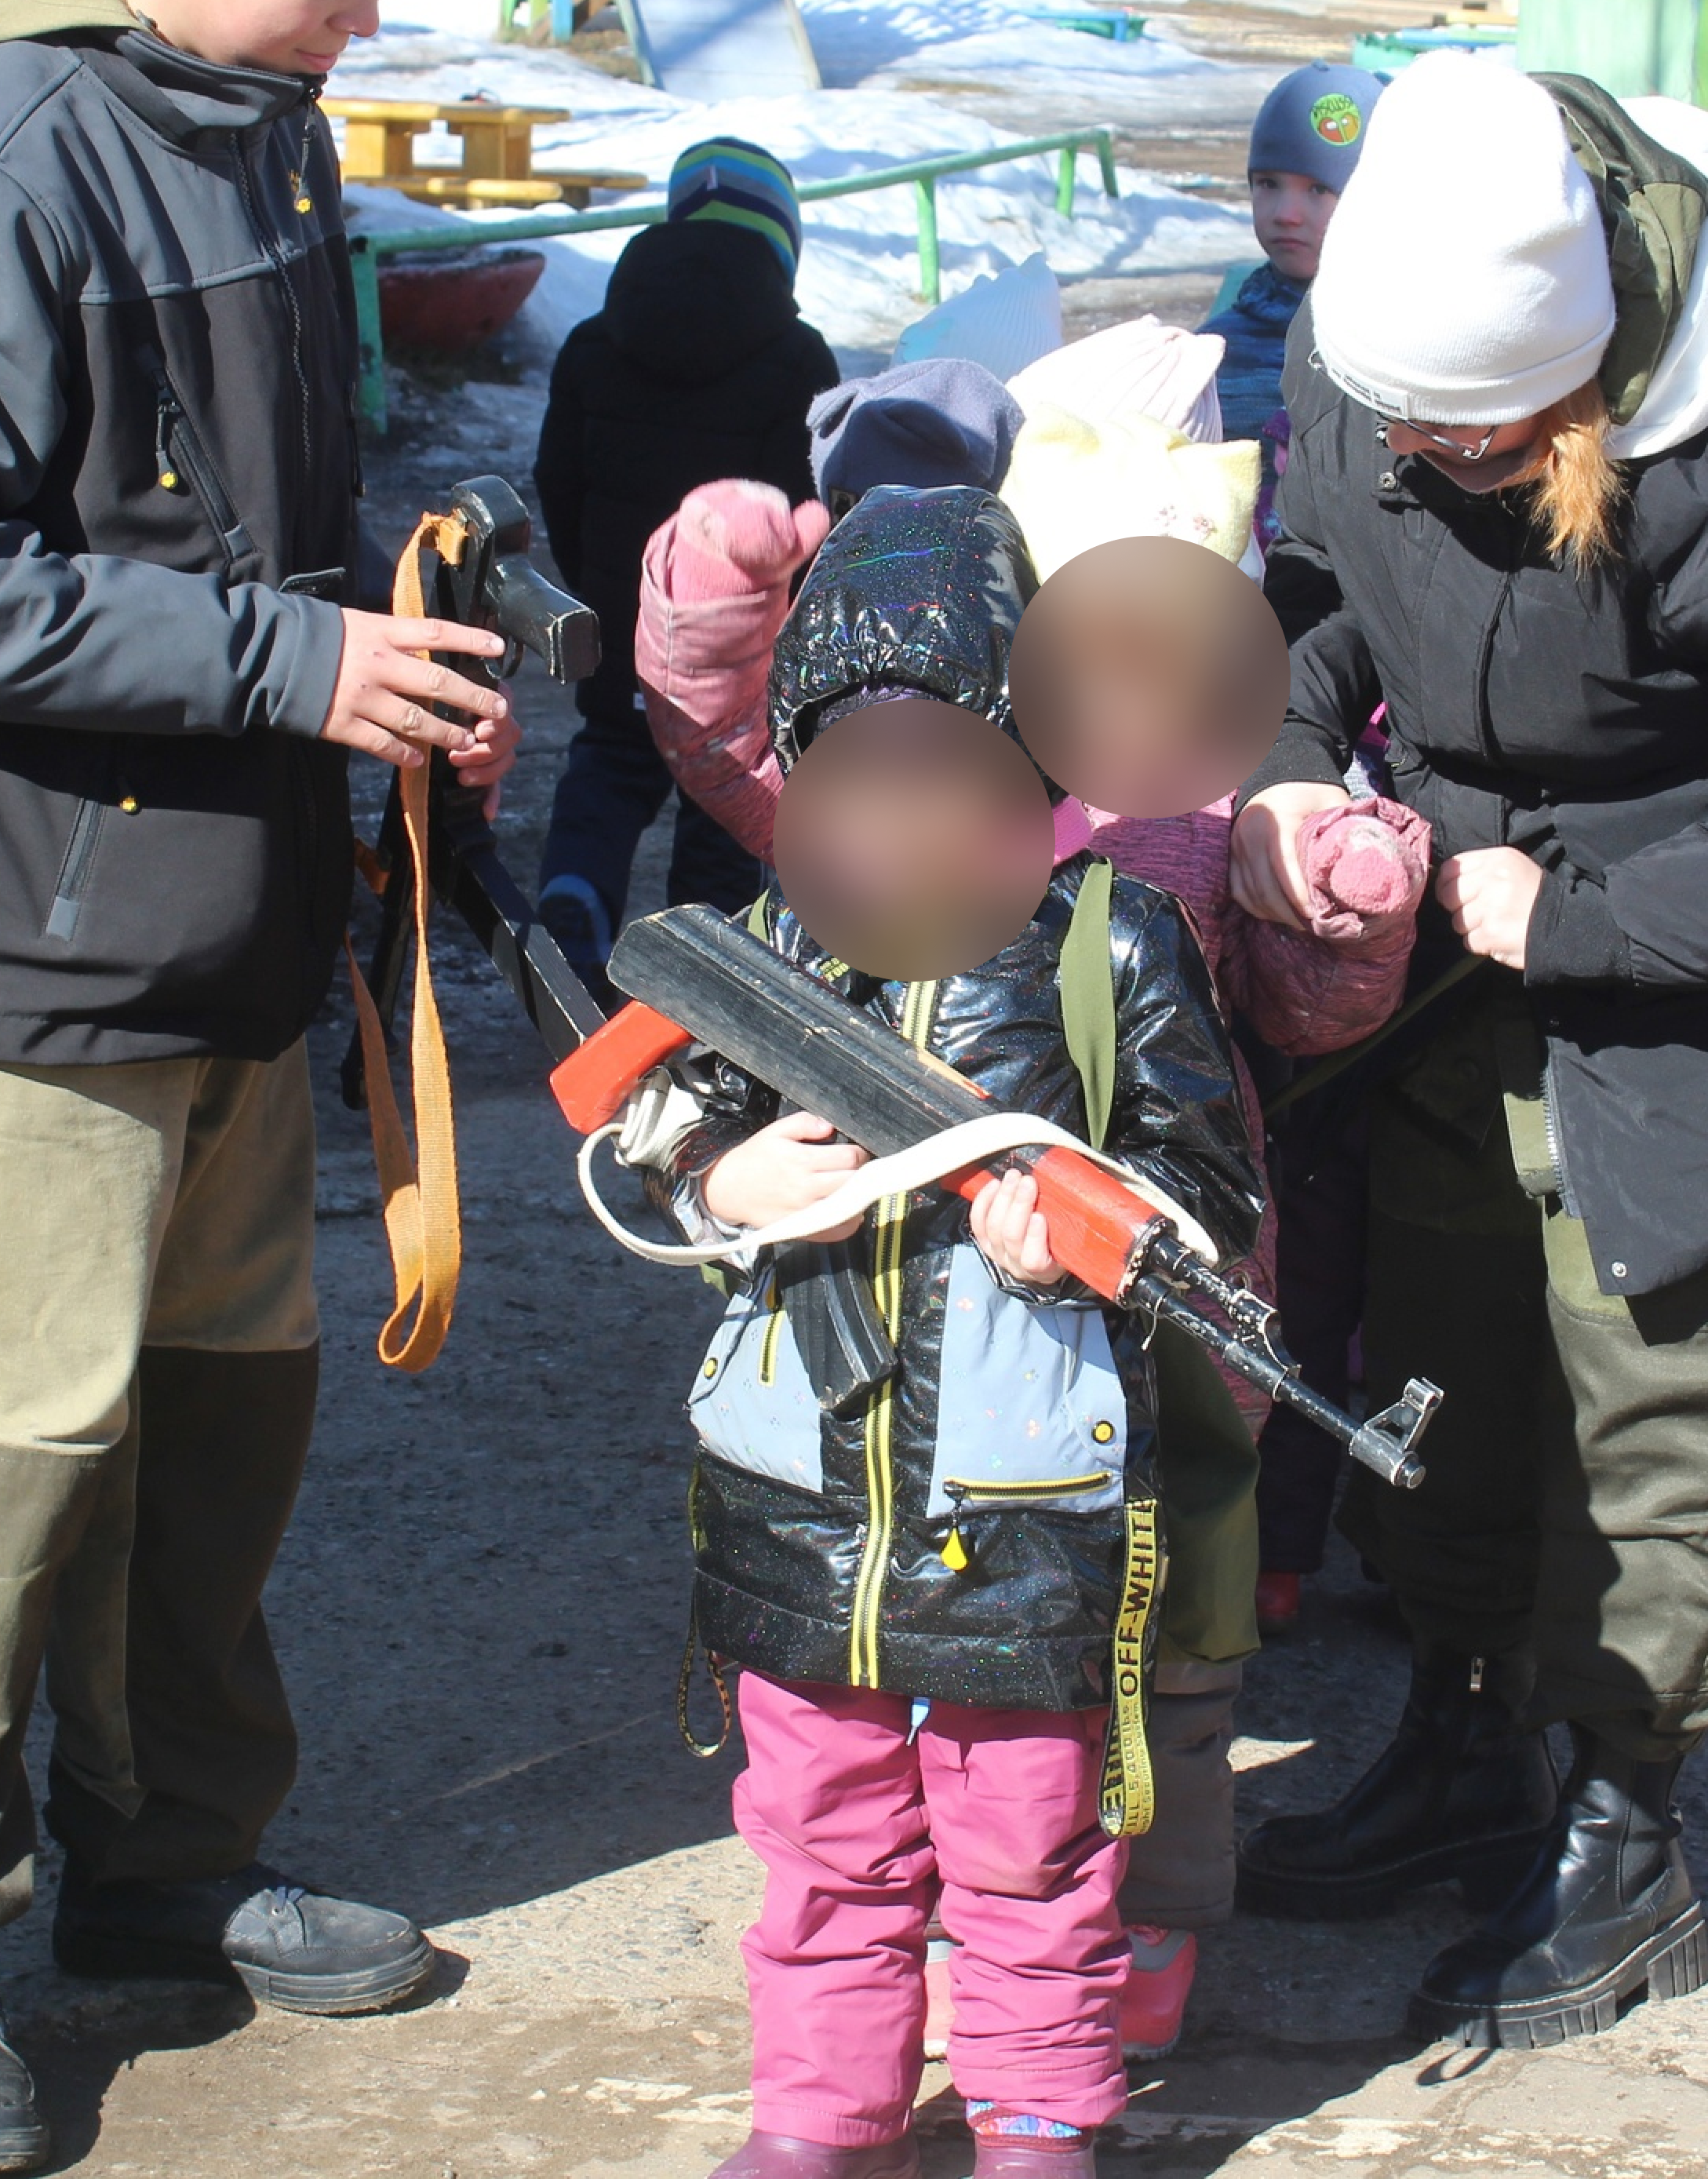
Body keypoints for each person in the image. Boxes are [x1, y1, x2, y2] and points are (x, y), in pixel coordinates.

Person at [0, 0, 507, 2177]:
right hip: (9, 946)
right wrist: (297, 665)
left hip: (219, 920)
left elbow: (245, 519)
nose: (370, 16)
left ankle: (165, 1875)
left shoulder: (257, 125)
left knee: (209, 1429)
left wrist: (407, 630)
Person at [1225, 53, 1708, 2047]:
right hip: (1461, 960)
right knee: (1449, 1372)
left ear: (1580, 382)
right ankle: (1461, 1749)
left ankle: (1627, 1840)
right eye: (1404, 431)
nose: (1425, 466)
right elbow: (1316, 602)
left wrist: (1592, 920)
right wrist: (1284, 777)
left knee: (1668, 1425)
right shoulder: (1361, 351)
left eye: (1483, 446)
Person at [658, 488, 1263, 2179]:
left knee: (1028, 1846)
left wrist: (1082, 1220)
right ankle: (820, 2121)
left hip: (1020, 1501)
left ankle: (1038, 2117)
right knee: (820, 1839)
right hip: (800, 1501)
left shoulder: (1107, 942)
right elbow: (653, 1162)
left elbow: (1206, 1187)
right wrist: (732, 1176)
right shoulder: (772, 946)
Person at [529, 136, 836, 967]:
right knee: (721, 792)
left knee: (611, 762)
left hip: (618, 616)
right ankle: (703, 969)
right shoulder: (795, 356)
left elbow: (556, 478)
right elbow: (811, 507)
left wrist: (593, 585)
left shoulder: (594, 344)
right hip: (741, 639)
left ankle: (576, 892)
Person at [1202, 63, 1384, 481]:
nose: (1286, 215)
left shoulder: (1420, 344)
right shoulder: (1217, 353)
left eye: (1320, 189)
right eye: (1268, 184)